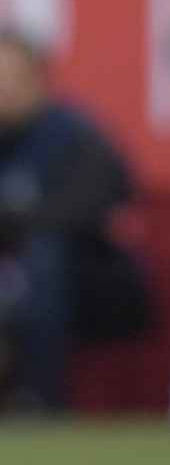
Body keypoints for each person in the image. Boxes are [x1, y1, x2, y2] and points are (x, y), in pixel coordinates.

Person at [0, 29, 142, 411]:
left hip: (81, 277)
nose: (4, 90)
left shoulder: (74, 135)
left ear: (40, 80)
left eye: (13, 77)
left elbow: (92, 202)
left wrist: (19, 222)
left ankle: (42, 401)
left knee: (45, 254)